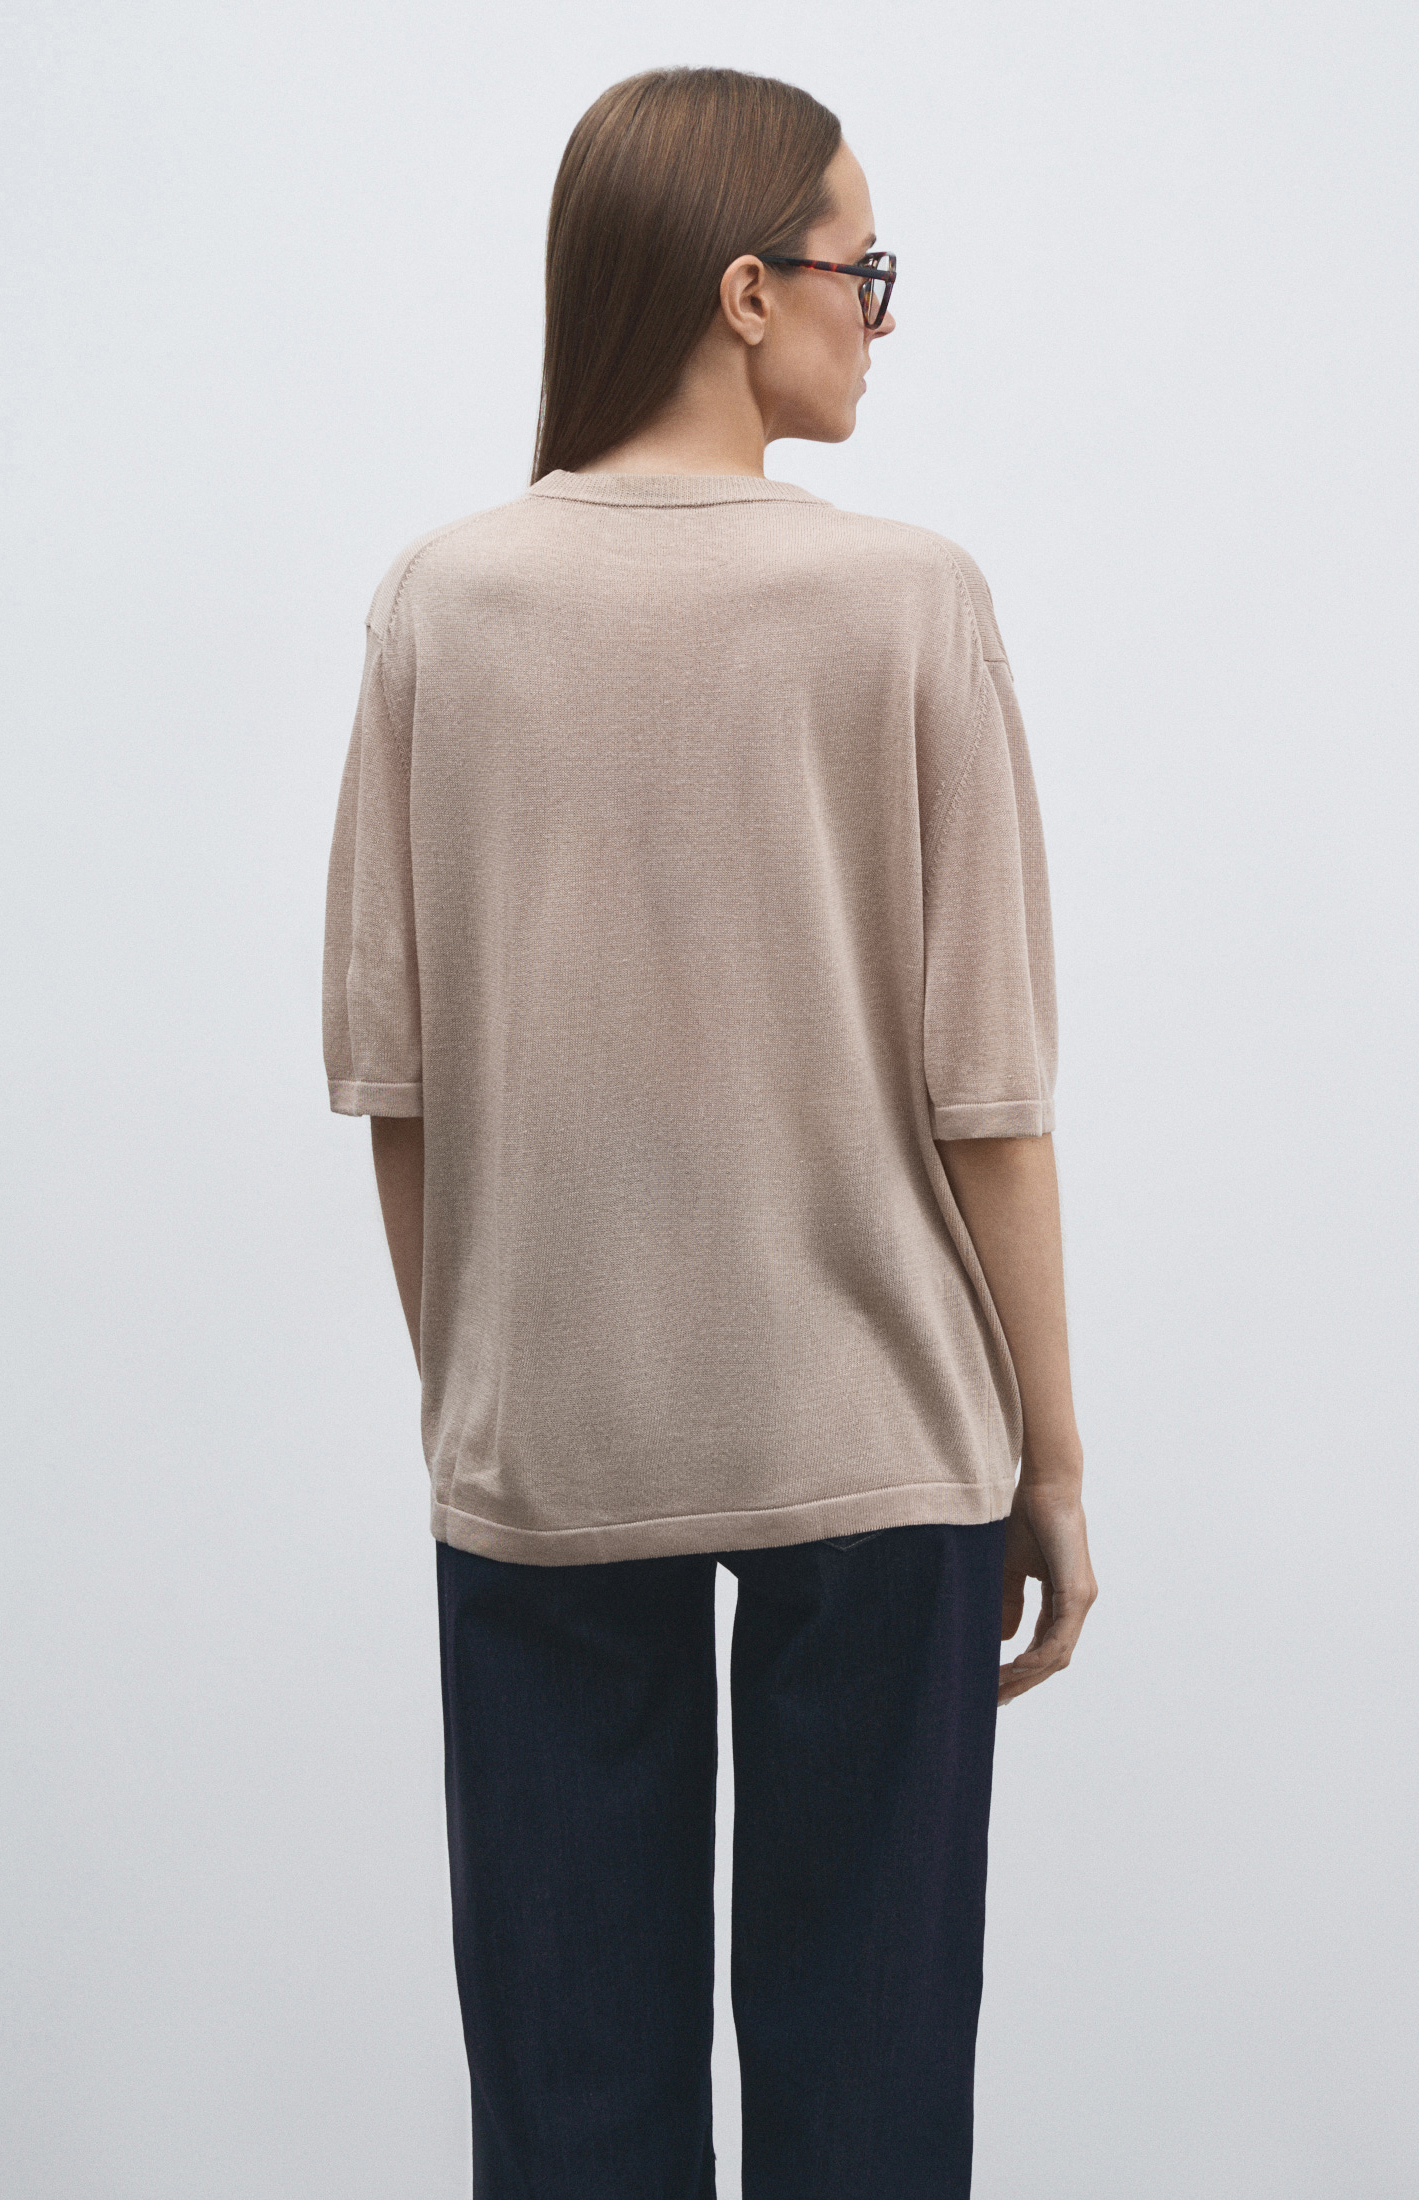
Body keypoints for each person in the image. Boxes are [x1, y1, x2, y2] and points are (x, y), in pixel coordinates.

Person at [321, 62, 1097, 2200]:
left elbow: (395, 1089)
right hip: (882, 1431)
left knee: (569, 2108)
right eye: (864, 268)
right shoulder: (911, 600)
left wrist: (486, 1393)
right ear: (746, 292)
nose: (880, 314)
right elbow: (989, 1098)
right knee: (870, 2109)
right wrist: (1050, 1460)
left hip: (548, 1440)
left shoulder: (442, 603)